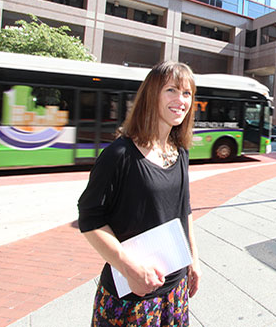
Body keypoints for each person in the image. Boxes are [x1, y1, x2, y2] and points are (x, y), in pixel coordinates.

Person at [78, 61, 201, 326]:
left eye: (187, 93)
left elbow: (184, 208)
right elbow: (90, 220)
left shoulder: (180, 152)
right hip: (130, 296)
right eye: (171, 90)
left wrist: (194, 260)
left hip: (175, 291)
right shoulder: (118, 155)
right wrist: (130, 268)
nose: (181, 100)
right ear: (151, 95)